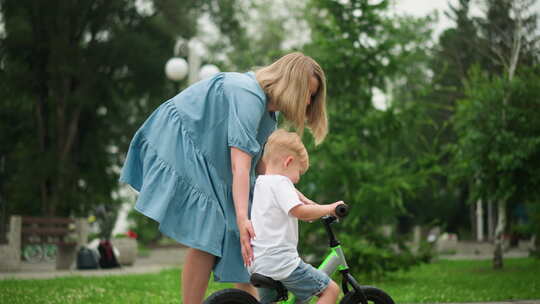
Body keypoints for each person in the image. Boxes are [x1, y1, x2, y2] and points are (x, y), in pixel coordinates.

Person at [119, 52, 329, 304]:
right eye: (308, 92)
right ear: (292, 84)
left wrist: (296, 197)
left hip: (215, 159)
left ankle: (249, 301)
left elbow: (261, 171)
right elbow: (239, 165)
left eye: (313, 97)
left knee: (247, 235)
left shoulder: (268, 116)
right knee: (211, 230)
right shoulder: (249, 95)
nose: (308, 101)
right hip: (185, 141)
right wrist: (242, 218)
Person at [249, 129, 343, 304]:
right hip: (281, 263)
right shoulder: (282, 183)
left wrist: (313, 206)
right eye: (299, 172)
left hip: (260, 262)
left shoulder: (262, 182)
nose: (297, 179)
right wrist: (330, 208)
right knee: (330, 290)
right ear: (288, 161)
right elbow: (298, 211)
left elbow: (296, 201)